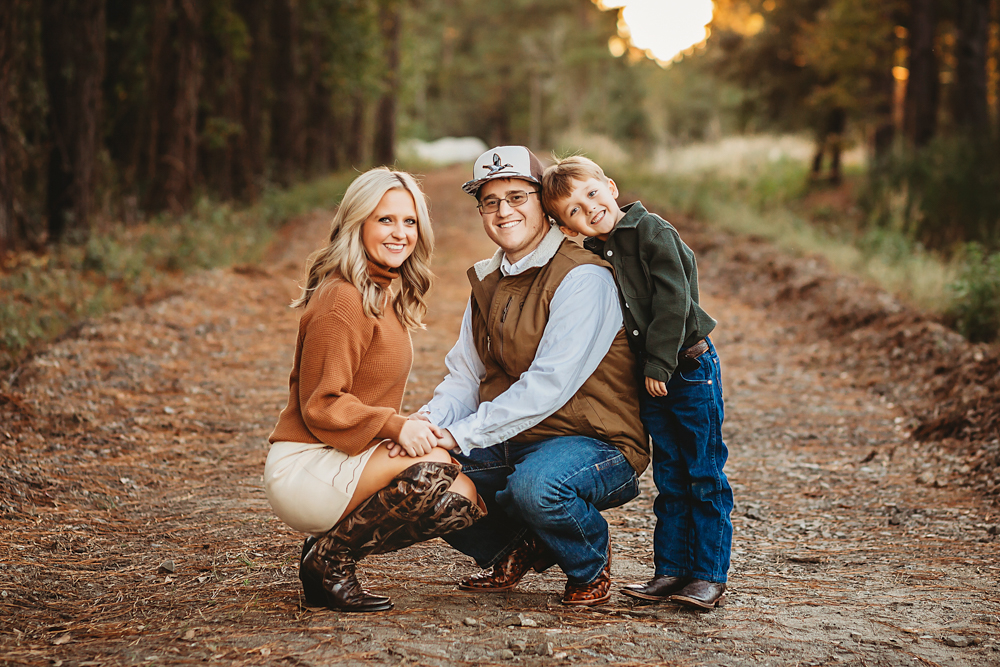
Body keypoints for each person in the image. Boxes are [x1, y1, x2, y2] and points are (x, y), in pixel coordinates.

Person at [392, 146, 650, 607]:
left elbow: (546, 387)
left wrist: (458, 435)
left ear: (544, 207)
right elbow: (465, 377)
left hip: (595, 442)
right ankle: (514, 547)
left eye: (516, 197)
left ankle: (588, 558)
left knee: (538, 487)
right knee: (418, 472)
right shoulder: (487, 280)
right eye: (490, 201)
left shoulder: (584, 277)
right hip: (516, 439)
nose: (503, 211)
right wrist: (426, 425)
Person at [263, 167, 484, 613]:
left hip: (348, 452)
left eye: (409, 221)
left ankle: (324, 552)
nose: (400, 233)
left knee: (461, 499)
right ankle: (332, 561)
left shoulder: (381, 292)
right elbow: (321, 404)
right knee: (436, 468)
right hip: (306, 463)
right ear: (357, 223)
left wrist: (399, 427)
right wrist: (393, 425)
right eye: (385, 220)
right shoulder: (342, 298)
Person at [541, 155, 733, 610]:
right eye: (573, 211)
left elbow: (674, 302)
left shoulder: (653, 233)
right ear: (568, 227)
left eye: (591, 194)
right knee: (670, 476)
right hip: (655, 376)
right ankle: (670, 571)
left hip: (685, 369)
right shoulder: (600, 248)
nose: (588, 209)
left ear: (610, 185)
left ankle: (708, 575)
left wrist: (659, 365)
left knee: (702, 473)